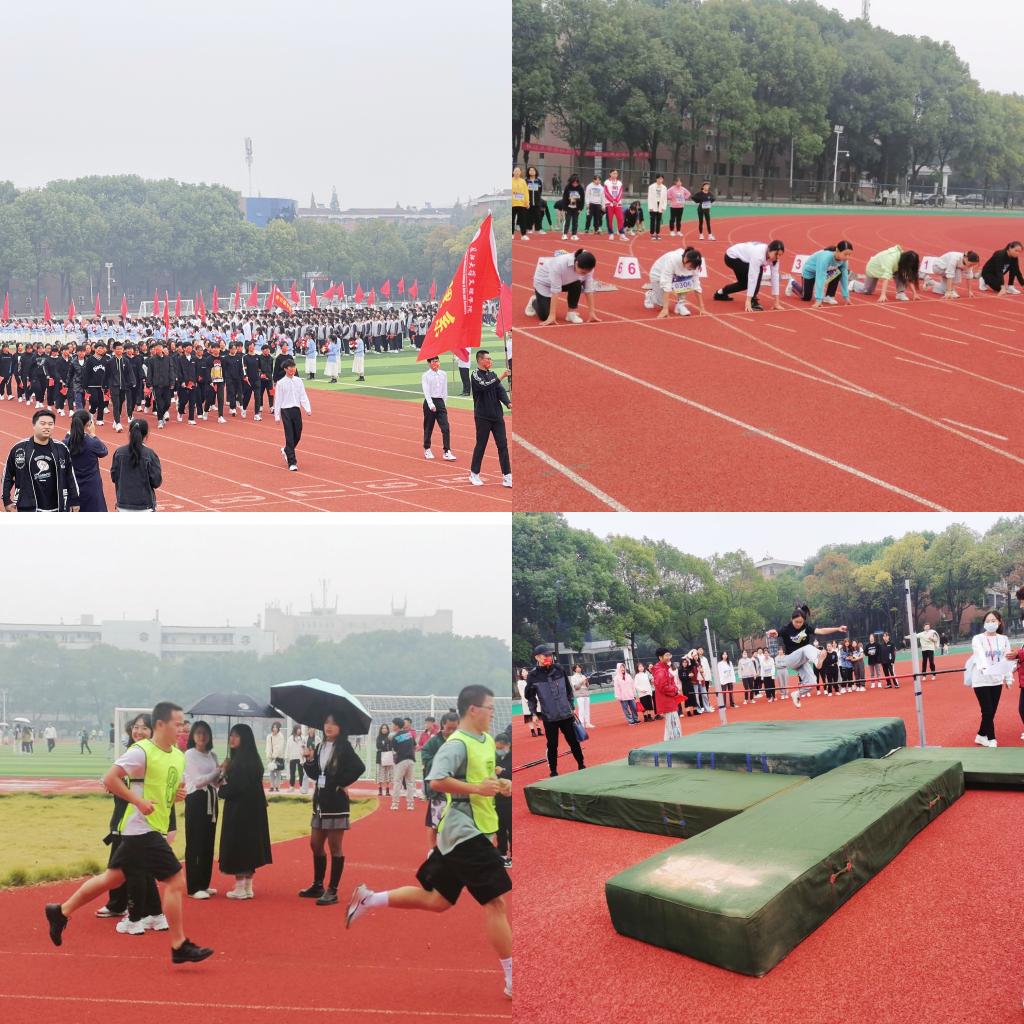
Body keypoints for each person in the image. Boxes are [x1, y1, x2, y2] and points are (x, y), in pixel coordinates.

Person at [345, 684, 513, 1001]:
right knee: (496, 903)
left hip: (474, 829)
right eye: (490, 707)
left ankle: (369, 899)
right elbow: (436, 780)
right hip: (464, 831)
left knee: (438, 900)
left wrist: (498, 783)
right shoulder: (457, 744)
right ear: (473, 709)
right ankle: (512, 976)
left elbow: (482, 779)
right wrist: (477, 789)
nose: (493, 713)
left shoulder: (487, 740)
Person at [44, 701, 213, 963]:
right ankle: (179, 944)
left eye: (183, 725)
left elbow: (168, 793)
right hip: (139, 828)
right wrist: (137, 801)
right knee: (176, 880)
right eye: (178, 724)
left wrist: (176, 796)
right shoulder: (141, 751)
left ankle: (60, 911)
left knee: (112, 879)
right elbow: (109, 778)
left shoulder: (178, 756)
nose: (183, 729)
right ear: (160, 724)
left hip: (153, 828)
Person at [298, 713, 365, 906]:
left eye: (334, 723)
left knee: (335, 847)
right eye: (327, 722)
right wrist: (309, 760)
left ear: (340, 727)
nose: (329, 726)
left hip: (336, 803)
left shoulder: (344, 747)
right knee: (315, 844)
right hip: (320, 801)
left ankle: (332, 890)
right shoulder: (320, 746)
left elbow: (359, 767)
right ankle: (318, 885)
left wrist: (340, 782)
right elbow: (315, 774)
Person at [217, 723, 272, 899]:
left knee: (238, 845)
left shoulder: (239, 763)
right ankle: (248, 886)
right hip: (254, 810)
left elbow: (233, 789)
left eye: (236, 736)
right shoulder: (254, 759)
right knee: (250, 846)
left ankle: (240, 888)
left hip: (239, 811)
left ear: (244, 739)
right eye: (231, 735)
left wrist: (224, 775)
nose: (231, 739)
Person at [766, 605, 848, 710]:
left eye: (801, 622)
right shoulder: (786, 628)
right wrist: (772, 633)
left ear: (804, 621)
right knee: (807, 647)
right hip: (791, 658)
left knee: (813, 682)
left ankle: (797, 694)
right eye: (796, 622)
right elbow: (777, 633)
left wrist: (837, 629)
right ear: (792, 619)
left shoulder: (806, 627)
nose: (798, 624)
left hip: (802, 661)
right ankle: (817, 661)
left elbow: (822, 631)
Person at [524, 643, 585, 777]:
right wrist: (533, 713)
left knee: (573, 741)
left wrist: (571, 706)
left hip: (566, 714)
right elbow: (530, 697)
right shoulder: (533, 675)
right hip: (549, 717)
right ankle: (553, 771)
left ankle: (581, 765)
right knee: (552, 745)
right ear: (537, 657)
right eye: (545, 655)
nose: (548, 657)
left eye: (550, 655)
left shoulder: (559, 669)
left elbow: (568, 690)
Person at [4, 408, 81, 512]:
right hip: (28, 508)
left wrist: (75, 500)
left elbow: (70, 475)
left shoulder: (61, 448)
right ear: (34, 425)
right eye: (43, 423)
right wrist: (6, 499)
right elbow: (7, 475)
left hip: (57, 507)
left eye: (50, 424)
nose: (47, 427)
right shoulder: (19, 449)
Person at [184, 720, 221, 900]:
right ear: (193, 735)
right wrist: (217, 771)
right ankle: (193, 886)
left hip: (211, 800)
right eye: (198, 732)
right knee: (195, 843)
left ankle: (204, 883)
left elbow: (216, 782)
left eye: (205, 733)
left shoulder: (212, 755)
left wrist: (223, 773)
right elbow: (198, 781)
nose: (202, 736)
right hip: (196, 800)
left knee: (208, 842)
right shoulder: (189, 754)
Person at [967, 610, 1013, 747]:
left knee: (992, 711)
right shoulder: (977, 638)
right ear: (984, 623)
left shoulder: (1004, 639)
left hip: (996, 680)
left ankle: (981, 735)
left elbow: (1007, 658)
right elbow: (979, 654)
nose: (990, 623)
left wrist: (1008, 678)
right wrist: (984, 668)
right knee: (987, 710)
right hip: (981, 679)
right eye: (987, 621)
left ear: (999, 622)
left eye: (993, 620)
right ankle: (991, 738)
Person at [468, 349, 511, 488]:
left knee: (503, 445)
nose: (490, 361)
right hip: (483, 416)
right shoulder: (475, 375)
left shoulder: (492, 374)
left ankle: (507, 475)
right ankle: (474, 474)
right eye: (488, 358)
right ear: (480, 360)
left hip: (497, 416)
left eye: (490, 359)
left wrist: (508, 402)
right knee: (481, 445)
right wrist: (502, 377)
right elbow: (485, 386)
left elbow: (499, 390)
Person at [421, 711, 459, 854]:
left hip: (458, 789)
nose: (452, 731)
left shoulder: (462, 740)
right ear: (443, 725)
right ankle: (433, 850)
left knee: (456, 823)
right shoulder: (434, 742)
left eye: (455, 728)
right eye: (449, 728)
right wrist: (441, 759)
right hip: (439, 790)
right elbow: (425, 758)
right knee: (435, 822)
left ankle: (452, 850)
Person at [713, 240, 785, 312]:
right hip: (732, 257)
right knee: (758, 271)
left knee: (744, 284)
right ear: (769, 249)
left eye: (780, 255)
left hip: (742, 258)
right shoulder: (758, 255)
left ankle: (720, 293)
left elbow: (775, 278)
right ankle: (752, 300)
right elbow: (753, 277)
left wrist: (776, 303)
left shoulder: (775, 259)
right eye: (776, 254)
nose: (778, 257)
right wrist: (748, 301)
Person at [110, 418, 161, 512]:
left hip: (123, 504)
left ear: (129, 433)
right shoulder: (150, 454)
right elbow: (156, 482)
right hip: (145, 506)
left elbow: (114, 477)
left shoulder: (119, 452)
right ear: (146, 434)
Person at [272, 357, 312, 472]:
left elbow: (303, 395)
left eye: (294, 368)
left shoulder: (299, 381)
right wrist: (277, 416)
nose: (293, 370)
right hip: (286, 411)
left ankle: (286, 450)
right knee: (289, 436)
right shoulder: (280, 383)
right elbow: (278, 400)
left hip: (296, 410)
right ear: (285, 369)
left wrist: (307, 408)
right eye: (290, 368)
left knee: (297, 435)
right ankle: (292, 462)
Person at [64, 409, 108, 512]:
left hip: (74, 489)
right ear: (88, 423)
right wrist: (93, 434)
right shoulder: (92, 443)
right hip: (92, 488)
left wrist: (69, 434)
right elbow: (104, 451)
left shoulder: (65, 443)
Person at [644, 247, 706, 317]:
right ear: (686, 259)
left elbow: (696, 284)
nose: (692, 269)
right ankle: (651, 295)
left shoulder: (695, 265)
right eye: (690, 266)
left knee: (687, 279)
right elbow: (666, 284)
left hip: (677, 276)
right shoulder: (672, 260)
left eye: (694, 267)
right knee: (661, 303)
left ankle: (680, 304)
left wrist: (701, 306)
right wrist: (665, 309)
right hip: (658, 275)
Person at [787, 242, 855, 306]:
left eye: (849, 255)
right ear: (837, 251)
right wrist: (819, 299)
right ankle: (792, 284)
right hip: (810, 272)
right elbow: (820, 277)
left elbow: (844, 277)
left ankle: (829, 296)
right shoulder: (825, 258)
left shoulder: (844, 260)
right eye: (845, 254)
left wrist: (846, 297)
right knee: (806, 297)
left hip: (826, 271)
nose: (847, 257)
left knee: (838, 271)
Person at [850, 246, 920, 301]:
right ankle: (853, 284)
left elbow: (907, 276)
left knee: (901, 273)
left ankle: (900, 293)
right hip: (874, 268)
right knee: (867, 291)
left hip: (891, 268)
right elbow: (886, 278)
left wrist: (915, 293)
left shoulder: (903, 260)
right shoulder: (891, 259)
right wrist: (883, 295)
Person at [421, 354, 455, 462]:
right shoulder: (426, 376)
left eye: (437, 361)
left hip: (440, 402)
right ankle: (427, 448)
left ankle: (447, 451)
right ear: (429, 363)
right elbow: (426, 392)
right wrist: (431, 405)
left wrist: (444, 403)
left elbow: (445, 390)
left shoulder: (443, 374)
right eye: (433, 361)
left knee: (446, 427)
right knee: (428, 427)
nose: (436, 363)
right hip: (429, 402)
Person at [653, 647, 682, 739]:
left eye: (669, 655)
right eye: (666, 655)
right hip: (667, 703)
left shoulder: (664, 669)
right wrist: (675, 690)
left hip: (669, 701)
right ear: (660, 657)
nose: (669, 657)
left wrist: (674, 689)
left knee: (670, 727)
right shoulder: (660, 671)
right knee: (673, 727)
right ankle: (675, 744)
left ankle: (671, 744)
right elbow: (663, 687)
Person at [389, 717, 418, 811]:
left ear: (397, 726)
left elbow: (394, 750)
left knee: (397, 782)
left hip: (401, 761)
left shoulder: (395, 737)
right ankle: (410, 804)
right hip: (411, 760)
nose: (391, 726)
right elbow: (415, 746)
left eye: (392, 724)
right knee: (410, 783)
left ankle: (395, 804)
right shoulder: (409, 734)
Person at [494, 731, 512, 868]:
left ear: (508, 745)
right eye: (497, 748)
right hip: (498, 798)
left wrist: (503, 772)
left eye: (500, 748)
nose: (498, 750)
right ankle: (502, 854)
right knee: (499, 827)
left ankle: (513, 856)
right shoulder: (496, 757)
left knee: (510, 828)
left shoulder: (512, 757)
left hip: (510, 799)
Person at [560, 174, 584, 240]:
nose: (575, 184)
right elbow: (564, 198)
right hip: (568, 208)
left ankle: (574, 235)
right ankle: (564, 234)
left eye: (576, 183)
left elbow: (582, 199)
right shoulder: (567, 187)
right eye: (574, 183)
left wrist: (581, 208)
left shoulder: (580, 188)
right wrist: (564, 208)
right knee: (567, 221)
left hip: (576, 208)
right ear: (571, 182)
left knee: (575, 221)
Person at [264, 721, 286, 793]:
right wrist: (269, 755)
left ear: (278, 728)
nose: (274, 729)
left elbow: (280, 747)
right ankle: (271, 786)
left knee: (278, 772)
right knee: (271, 772)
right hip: (271, 757)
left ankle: (277, 786)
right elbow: (268, 747)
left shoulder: (281, 736)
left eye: (276, 727)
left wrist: (274, 755)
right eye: (273, 727)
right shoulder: (269, 736)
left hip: (279, 757)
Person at [604, 169, 625, 240]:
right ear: (610, 174)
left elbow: (620, 193)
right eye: (613, 173)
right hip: (609, 204)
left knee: (620, 218)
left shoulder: (619, 183)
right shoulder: (607, 182)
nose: (615, 175)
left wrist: (616, 201)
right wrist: (612, 200)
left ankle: (621, 233)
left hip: (618, 204)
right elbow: (606, 193)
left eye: (616, 173)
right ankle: (611, 233)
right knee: (609, 219)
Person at [374, 723, 394, 797]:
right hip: (380, 757)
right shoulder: (378, 737)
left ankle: (387, 790)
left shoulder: (390, 737)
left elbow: (391, 746)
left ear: (388, 729)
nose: (384, 729)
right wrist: (385, 745)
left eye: (385, 728)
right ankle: (380, 790)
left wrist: (385, 745)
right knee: (380, 773)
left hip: (388, 756)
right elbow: (378, 746)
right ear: (381, 729)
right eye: (383, 728)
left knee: (388, 773)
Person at [511, 167, 530, 240]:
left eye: (518, 171)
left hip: (522, 204)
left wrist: (527, 202)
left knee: (522, 220)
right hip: (512, 204)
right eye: (515, 171)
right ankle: (511, 234)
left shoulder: (523, 181)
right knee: (512, 220)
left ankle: (523, 235)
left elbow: (526, 192)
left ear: (520, 173)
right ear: (513, 172)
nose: (517, 172)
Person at [525, 165, 546, 235]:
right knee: (529, 216)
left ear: (535, 171)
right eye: (530, 170)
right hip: (528, 201)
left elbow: (540, 191)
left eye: (533, 170)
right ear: (528, 172)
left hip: (537, 201)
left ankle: (538, 229)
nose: (532, 171)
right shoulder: (526, 180)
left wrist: (538, 198)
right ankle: (529, 229)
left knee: (538, 215)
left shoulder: (539, 180)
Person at [286, 725, 306, 791]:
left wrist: (304, 756)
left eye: (299, 729)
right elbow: (287, 748)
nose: (299, 730)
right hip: (292, 757)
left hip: (300, 758)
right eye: (297, 729)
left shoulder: (303, 738)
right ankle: (292, 786)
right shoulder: (290, 738)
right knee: (292, 772)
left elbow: (304, 747)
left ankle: (301, 786)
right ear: (295, 730)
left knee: (301, 772)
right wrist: (287, 756)